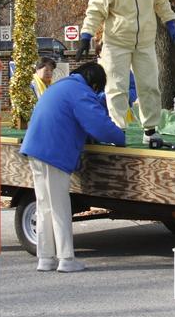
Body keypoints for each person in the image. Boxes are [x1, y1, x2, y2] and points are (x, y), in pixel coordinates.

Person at [21, 62, 126, 272]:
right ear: (93, 83)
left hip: (34, 150)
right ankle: (66, 259)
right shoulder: (80, 92)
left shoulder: (61, 87)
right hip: (54, 153)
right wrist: (120, 137)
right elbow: (99, 125)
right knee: (60, 206)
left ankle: (46, 258)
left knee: (44, 206)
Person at [77, 0, 175, 145]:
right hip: (116, 43)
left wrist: (170, 21)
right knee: (116, 87)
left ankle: (150, 129)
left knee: (149, 86)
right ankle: (118, 129)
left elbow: (162, 1)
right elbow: (95, 10)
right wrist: (86, 35)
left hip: (145, 42)